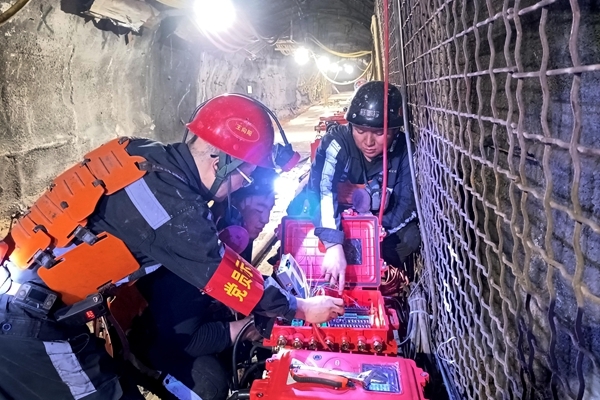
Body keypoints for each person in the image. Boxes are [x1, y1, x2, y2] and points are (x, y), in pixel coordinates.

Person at [0, 93, 344, 400]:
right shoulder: (175, 207)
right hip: (29, 320)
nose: (242, 186)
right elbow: (223, 272)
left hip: (23, 299)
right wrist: (300, 307)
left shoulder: (144, 156)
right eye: (246, 176)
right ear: (220, 163)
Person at [126, 167, 280, 400]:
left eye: (269, 209)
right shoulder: (197, 253)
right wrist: (246, 329)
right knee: (211, 386)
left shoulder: (237, 238)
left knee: (245, 347)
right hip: (159, 337)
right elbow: (187, 340)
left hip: (191, 319)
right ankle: (144, 367)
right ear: (234, 210)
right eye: (259, 209)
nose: (265, 220)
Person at [305, 81, 421, 291]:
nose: (368, 141)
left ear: (395, 130)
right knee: (302, 214)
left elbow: (407, 203)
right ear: (351, 126)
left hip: (380, 229)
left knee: (410, 237)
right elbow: (322, 190)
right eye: (360, 130)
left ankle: (379, 282)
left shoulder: (404, 150)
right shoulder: (337, 142)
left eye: (379, 133)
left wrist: (369, 234)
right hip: (337, 222)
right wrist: (333, 243)